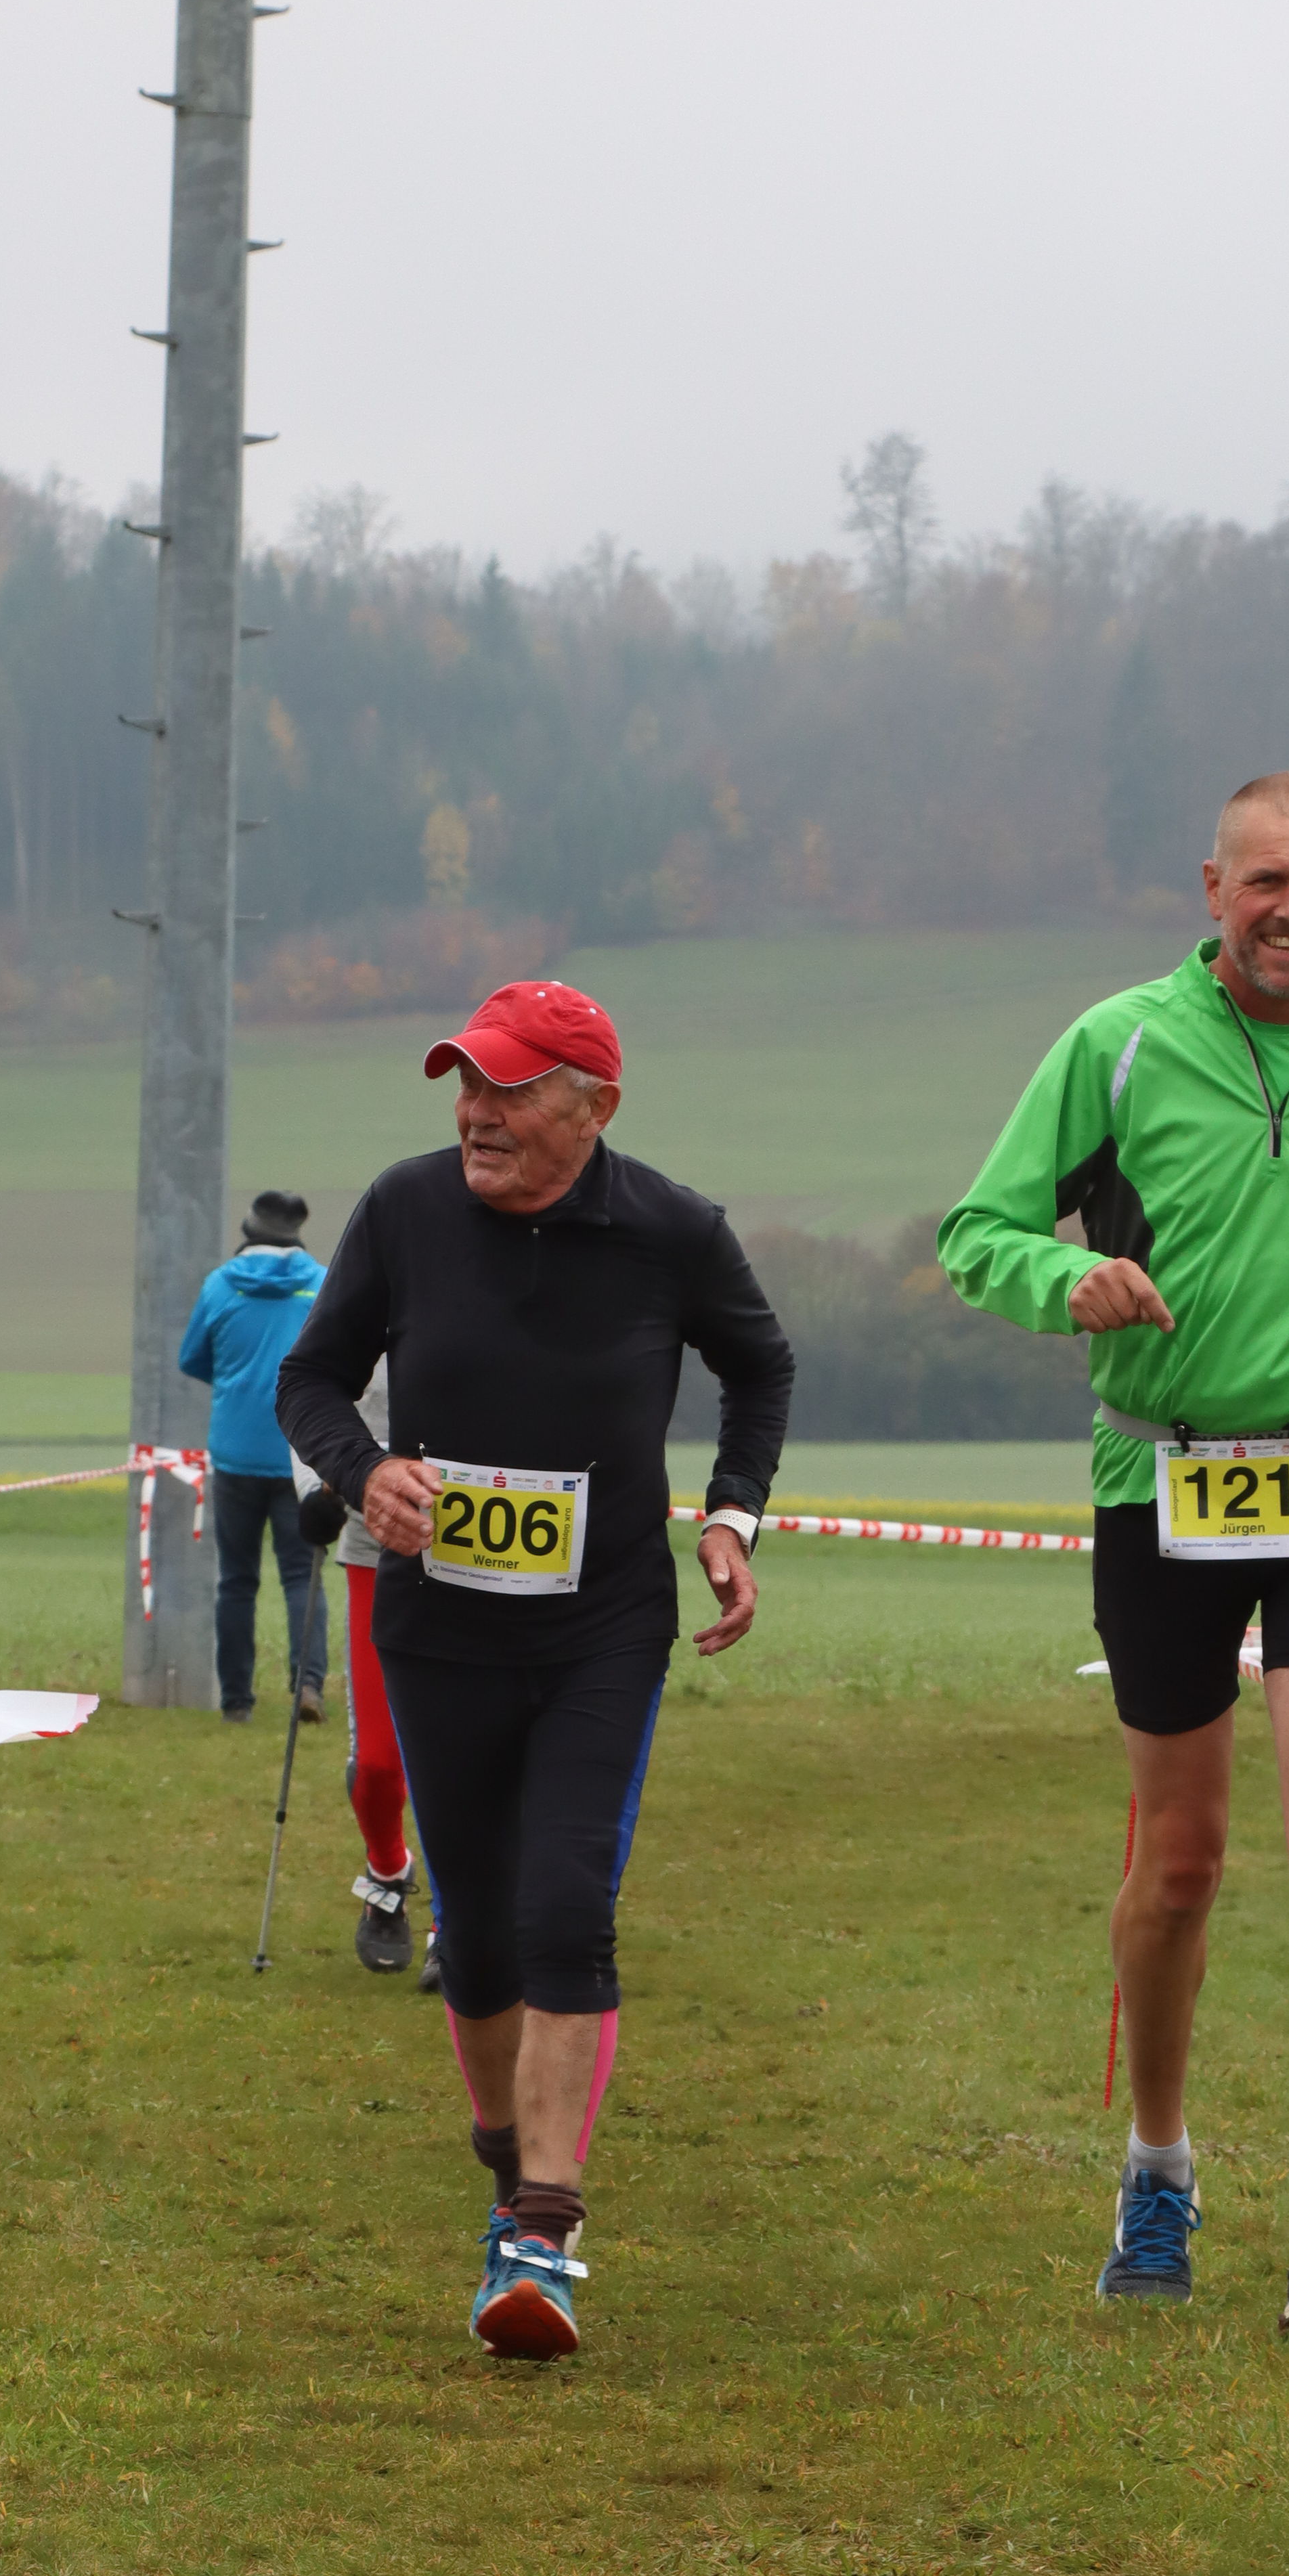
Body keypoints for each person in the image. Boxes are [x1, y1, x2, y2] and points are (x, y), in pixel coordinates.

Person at [940, 772, 1289, 2340]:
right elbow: (978, 1232)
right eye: (1267, 881)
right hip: (1163, 1477)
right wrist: (1065, 1279)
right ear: (1213, 889)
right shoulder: (1116, 1047)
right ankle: (1157, 2163)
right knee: (1181, 1858)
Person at [278, 977, 793, 2362]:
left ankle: (542, 2233)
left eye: (508, 1089)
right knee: (479, 1940)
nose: (476, 1111)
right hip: (440, 1628)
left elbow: (762, 1368)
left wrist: (732, 1515)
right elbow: (310, 1380)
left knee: (568, 1904)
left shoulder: (674, 1231)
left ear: (594, 1107)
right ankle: (509, 2153)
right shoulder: (405, 1210)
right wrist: (365, 1470)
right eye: (467, 1083)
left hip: (601, 1629)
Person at [290, 1358, 424, 1972]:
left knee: (471, 1753)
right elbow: (309, 1383)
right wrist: (313, 1490)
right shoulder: (364, 1300)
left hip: (481, 1551)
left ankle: (459, 1924)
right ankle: (387, 1873)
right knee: (377, 1763)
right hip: (375, 1541)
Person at [179, 1192, 330, 1727]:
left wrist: (236, 1382)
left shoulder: (220, 1285)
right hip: (302, 1452)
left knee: (237, 1581)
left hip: (236, 1452)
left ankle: (237, 1703)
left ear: (249, 1232)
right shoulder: (324, 1283)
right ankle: (308, 1685)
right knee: (302, 1575)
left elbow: (191, 1358)